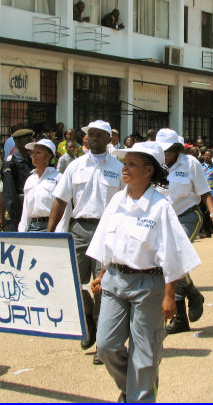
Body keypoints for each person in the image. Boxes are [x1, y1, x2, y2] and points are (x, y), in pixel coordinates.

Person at [87, 141, 201, 402]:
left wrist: (170, 295)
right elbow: (107, 239)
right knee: (106, 346)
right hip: (115, 281)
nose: (124, 169)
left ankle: (140, 397)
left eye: (131, 164)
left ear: (149, 171)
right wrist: (103, 273)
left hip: (148, 286)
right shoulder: (117, 199)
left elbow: (172, 254)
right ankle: (132, 387)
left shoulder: (160, 207)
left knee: (144, 352)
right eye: (125, 163)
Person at [47, 120, 124, 364]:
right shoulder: (74, 166)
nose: (94, 139)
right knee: (75, 283)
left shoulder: (118, 168)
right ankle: (88, 322)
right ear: (86, 138)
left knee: (104, 287)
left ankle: (103, 341)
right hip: (79, 229)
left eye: (100, 135)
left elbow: (126, 202)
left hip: (107, 231)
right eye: (91, 134)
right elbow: (60, 200)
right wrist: (49, 234)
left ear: (109, 139)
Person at [155, 129, 213, 334]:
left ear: (176, 149)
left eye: (168, 151)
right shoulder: (153, 162)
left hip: (188, 216)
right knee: (167, 263)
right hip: (162, 220)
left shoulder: (190, 164)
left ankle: (187, 302)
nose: (165, 155)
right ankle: (189, 301)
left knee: (175, 258)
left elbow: (204, 191)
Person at [19, 139, 69, 232]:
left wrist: (59, 233)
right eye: (32, 153)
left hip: (51, 228)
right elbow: (26, 210)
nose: (34, 155)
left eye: (38, 152)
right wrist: (22, 232)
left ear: (48, 156)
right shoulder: (30, 180)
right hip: (32, 228)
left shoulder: (58, 178)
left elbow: (64, 209)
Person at [2, 129, 35, 232]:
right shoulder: (11, 162)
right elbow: (9, 191)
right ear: (18, 142)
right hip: (19, 208)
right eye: (28, 140)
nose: (31, 143)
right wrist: (15, 214)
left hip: (32, 206)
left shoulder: (31, 159)